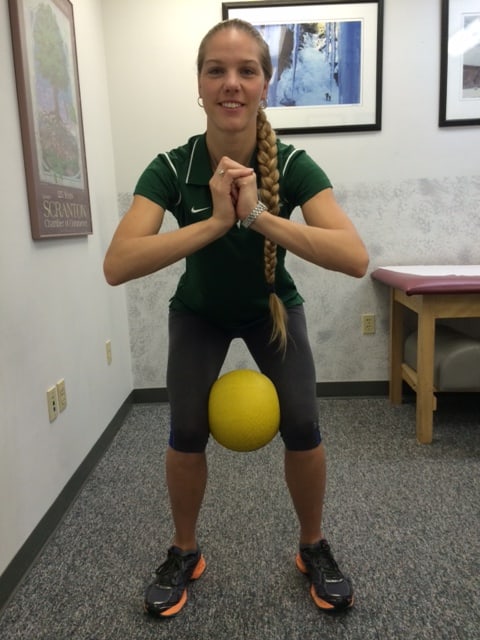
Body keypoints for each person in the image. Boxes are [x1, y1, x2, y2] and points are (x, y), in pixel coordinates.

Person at [103, 18, 369, 618]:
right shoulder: (172, 168)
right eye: (216, 70)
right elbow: (118, 264)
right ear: (199, 85)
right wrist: (218, 223)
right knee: (185, 430)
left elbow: (354, 257)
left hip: (272, 308)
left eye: (247, 70)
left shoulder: (292, 164)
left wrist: (256, 217)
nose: (231, 83)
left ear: (265, 85)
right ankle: (184, 550)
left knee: (303, 423)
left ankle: (313, 545)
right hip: (199, 313)